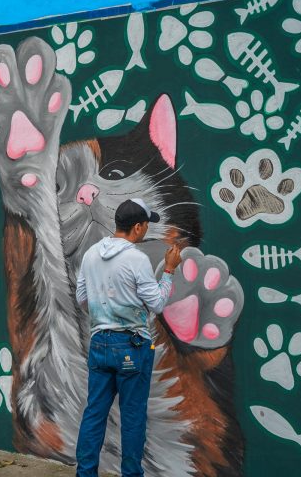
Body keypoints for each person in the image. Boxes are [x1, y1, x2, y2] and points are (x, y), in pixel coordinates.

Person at [75, 198, 182, 477]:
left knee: (94, 413)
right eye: (146, 225)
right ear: (137, 227)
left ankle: (85, 473)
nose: (147, 230)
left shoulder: (91, 254)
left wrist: (106, 304)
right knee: (132, 418)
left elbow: (83, 299)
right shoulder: (137, 259)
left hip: (100, 343)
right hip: (131, 346)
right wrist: (169, 269)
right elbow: (157, 304)